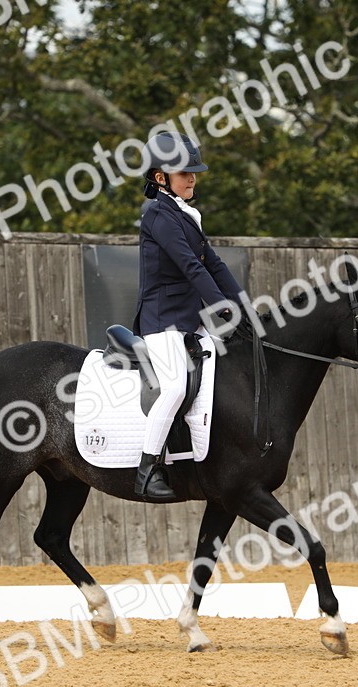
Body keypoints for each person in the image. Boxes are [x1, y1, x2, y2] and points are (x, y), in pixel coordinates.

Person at [132, 131, 247, 500]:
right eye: (184, 173)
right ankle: (147, 469)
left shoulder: (184, 214)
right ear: (161, 177)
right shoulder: (158, 216)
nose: (192, 178)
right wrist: (221, 306)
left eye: (194, 172)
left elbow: (212, 264)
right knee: (176, 386)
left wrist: (244, 306)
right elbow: (189, 269)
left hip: (190, 321)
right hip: (162, 321)